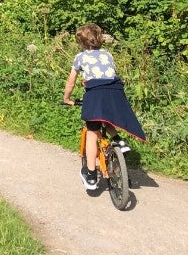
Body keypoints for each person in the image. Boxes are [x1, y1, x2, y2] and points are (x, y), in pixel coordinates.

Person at [63, 22, 147, 190]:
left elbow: (71, 82)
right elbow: (107, 74)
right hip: (115, 90)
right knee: (107, 117)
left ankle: (91, 175)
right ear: (100, 39)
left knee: (92, 133)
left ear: (80, 42)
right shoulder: (108, 55)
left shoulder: (80, 57)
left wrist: (67, 98)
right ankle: (119, 141)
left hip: (96, 93)